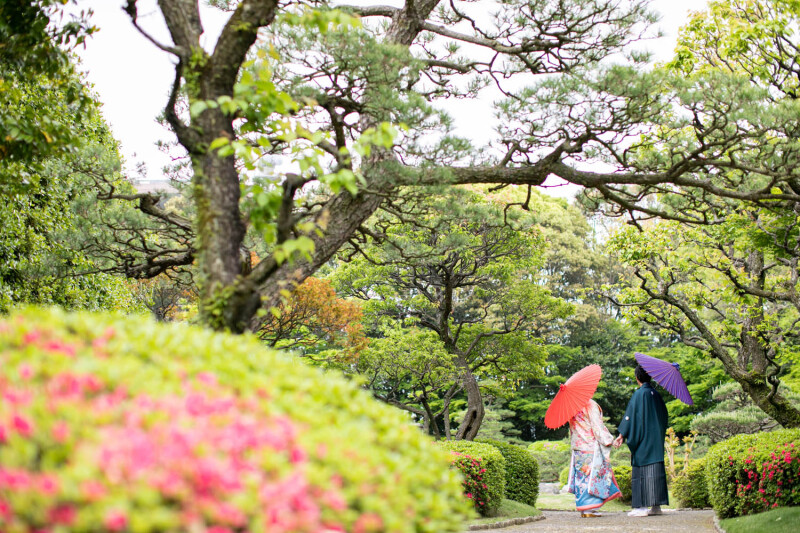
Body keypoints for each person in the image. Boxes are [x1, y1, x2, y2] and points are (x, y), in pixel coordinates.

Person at [613, 364, 669, 517]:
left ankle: (641, 507)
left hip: (643, 442)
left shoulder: (639, 395)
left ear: (637, 377)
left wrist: (622, 435)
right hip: (655, 441)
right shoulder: (656, 395)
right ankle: (656, 507)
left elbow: (630, 417)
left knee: (642, 471)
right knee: (655, 471)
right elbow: (664, 417)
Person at [566, 398, 621, 518]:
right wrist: (609, 440)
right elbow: (597, 426)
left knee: (581, 478)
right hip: (590, 446)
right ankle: (589, 509)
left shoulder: (571, 405)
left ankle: (585, 509)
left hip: (577, 446)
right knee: (591, 477)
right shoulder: (589, 404)